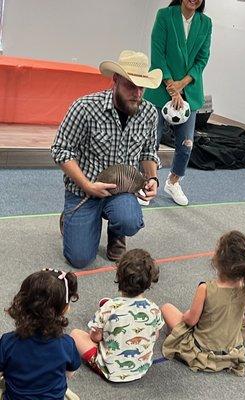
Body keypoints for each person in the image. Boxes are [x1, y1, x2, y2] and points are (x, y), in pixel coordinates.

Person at [51, 50, 162, 268]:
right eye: (131, 86)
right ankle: (70, 218)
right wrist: (87, 185)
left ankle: (117, 232)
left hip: (121, 191)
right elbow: (60, 150)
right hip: (84, 190)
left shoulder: (149, 113)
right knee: (80, 259)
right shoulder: (85, 107)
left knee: (129, 220)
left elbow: (149, 151)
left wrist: (153, 179)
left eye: (142, 87)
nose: (138, 94)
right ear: (116, 80)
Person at [161, 230, 245, 376]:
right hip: (231, 351)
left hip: (202, 352)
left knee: (167, 308)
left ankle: (177, 341)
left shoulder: (205, 288)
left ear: (218, 259)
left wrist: (186, 315)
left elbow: (191, 321)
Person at [144, 0, 212, 206]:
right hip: (160, 89)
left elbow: (202, 58)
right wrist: (171, 86)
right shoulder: (165, 15)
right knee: (150, 141)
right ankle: (148, 182)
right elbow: (157, 54)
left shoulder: (205, 23)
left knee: (186, 144)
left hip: (189, 91)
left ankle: (173, 182)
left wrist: (182, 85)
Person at [70, 249, 164, 383]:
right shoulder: (154, 309)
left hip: (111, 371)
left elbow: (95, 337)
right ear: (149, 281)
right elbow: (156, 335)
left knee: (75, 334)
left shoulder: (109, 308)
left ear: (119, 277)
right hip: (141, 368)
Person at [0, 269, 81, 400]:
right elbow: (70, 373)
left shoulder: (8, 342)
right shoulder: (67, 344)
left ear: (20, 303)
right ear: (65, 309)